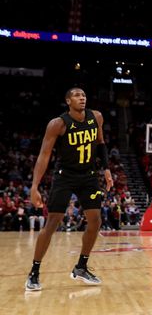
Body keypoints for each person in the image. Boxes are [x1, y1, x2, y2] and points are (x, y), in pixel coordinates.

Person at [26, 88, 113, 292]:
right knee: (53, 223)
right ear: (68, 101)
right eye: (76, 95)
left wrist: (106, 169)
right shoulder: (58, 124)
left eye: (83, 94)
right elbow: (44, 155)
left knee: (95, 220)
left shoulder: (96, 117)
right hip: (65, 176)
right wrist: (34, 186)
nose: (82, 97)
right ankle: (34, 272)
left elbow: (101, 144)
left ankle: (81, 267)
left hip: (89, 175)